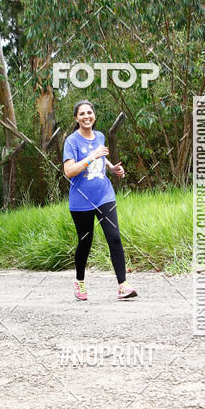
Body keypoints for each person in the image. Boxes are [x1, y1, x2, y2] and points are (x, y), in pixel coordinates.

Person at [63, 100, 137, 301]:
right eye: (82, 114)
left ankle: (123, 285)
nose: (86, 116)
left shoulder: (100, 136)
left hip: (104, 195)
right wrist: (91, 156)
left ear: (94, 115)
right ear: (76, 118)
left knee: (114, 236)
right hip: (81, 200)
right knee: (85, 242)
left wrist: (111, 168)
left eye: (89, 112)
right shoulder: (71, 141)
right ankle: (79, 281)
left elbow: (101, 159)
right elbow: (68, 171)